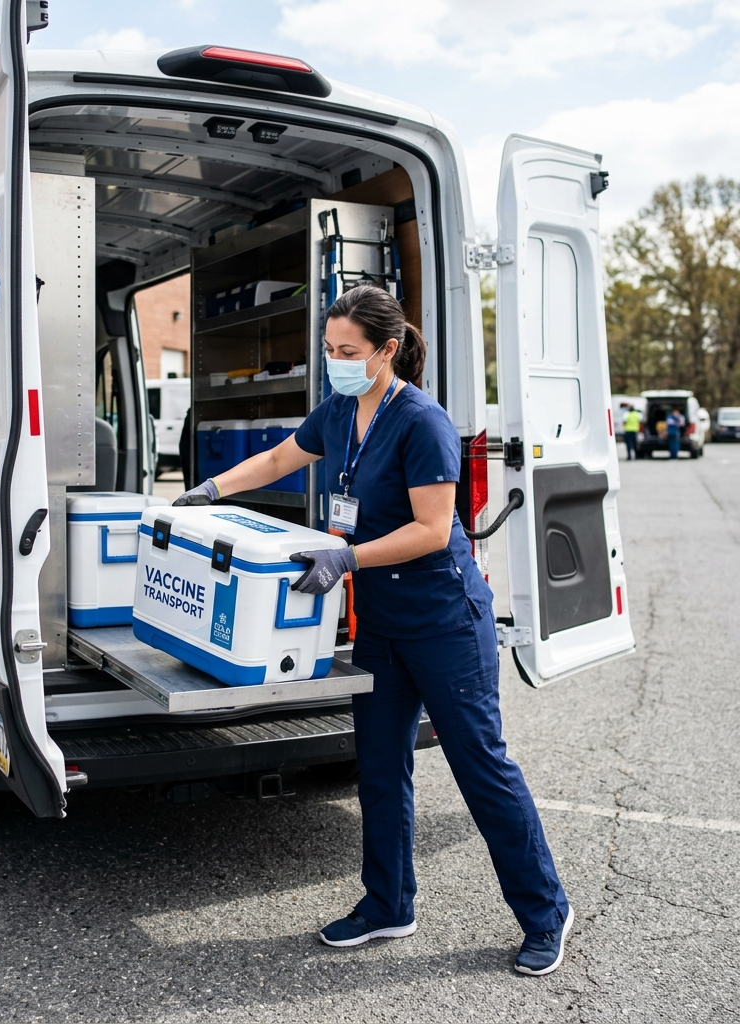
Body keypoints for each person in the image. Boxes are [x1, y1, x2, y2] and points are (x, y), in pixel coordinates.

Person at [175, 285, 573, 976]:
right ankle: (388, 905)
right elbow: (278, 459)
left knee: (481, 768)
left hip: (445, 622)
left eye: (348, 350)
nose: (336, 360)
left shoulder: (422, 422)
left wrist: (347, 557)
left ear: (387, 350)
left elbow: (431, 530)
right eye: (329, 349)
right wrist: (211, 490)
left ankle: (546, 912)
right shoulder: (339, 410)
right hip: (383, 623)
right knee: (381, 768)